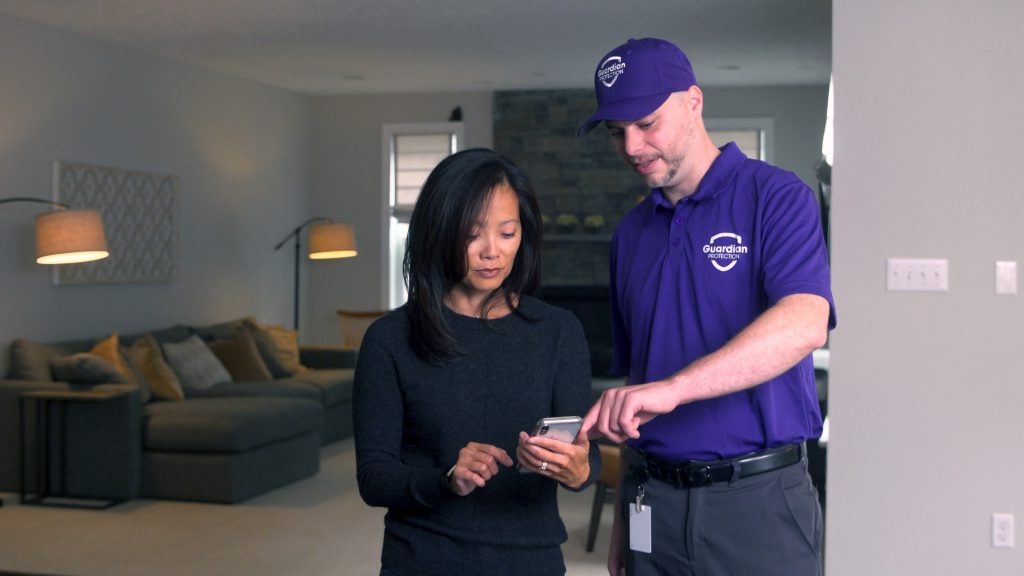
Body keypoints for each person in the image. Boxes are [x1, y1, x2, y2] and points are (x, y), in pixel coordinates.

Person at [576, 38, 837, 576]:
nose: (631, 145)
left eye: (646, 122)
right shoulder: (629, 234)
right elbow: (637, 384)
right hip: (654, 498)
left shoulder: (777, 197)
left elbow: (806, 322)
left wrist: (676, 390)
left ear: (693, 101)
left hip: (758, 503)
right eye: (617, 132)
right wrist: (625, 519)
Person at [353, 148, 601, 576]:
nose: (492, 252)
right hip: (423, 558)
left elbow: (586, 458)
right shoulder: (389, 339)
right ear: (440, 232)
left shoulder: (558, 331)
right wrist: (447, 478)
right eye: (472, 234)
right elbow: (374, 477)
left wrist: (578, 470)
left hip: (531, 559)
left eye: (507, 233)